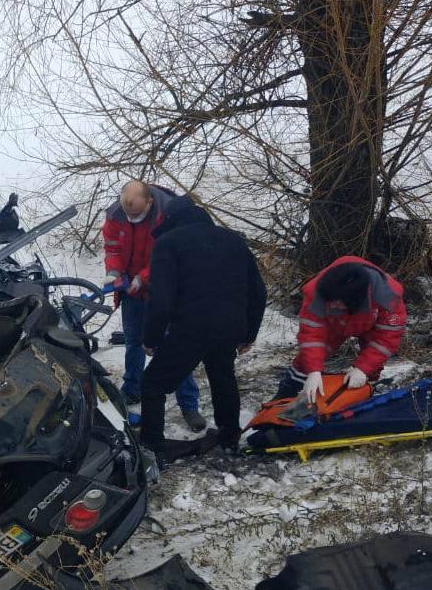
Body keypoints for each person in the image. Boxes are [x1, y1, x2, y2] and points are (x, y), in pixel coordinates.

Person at [140, 196, 267, 465]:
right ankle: (229, 434)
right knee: (222, 375)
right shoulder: (234, 240)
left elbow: (160, 299)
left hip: (191, 328)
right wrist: (249, 333)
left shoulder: (168, 243)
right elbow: (258, 291)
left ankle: (151, 446)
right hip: (229, 327)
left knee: (153, 384)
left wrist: (151, 338)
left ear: (171, 220)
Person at [102, 180, 205, 431]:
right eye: (128, 214)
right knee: (133, 340)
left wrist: (143, 278)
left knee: (173, 346)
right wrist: (113, 271)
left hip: (165, 290)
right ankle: (132, 389)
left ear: (149, 202)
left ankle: (189, 403)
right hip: (131, 293)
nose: (131, 218)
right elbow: (112, 246)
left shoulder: (169, 215)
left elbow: (169, 256)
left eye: (136, 214)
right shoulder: (116, 215)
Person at [274, 256, 407, 403]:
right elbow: (311, 336)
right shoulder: (316, 292)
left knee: (371, 366)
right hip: (334, 322)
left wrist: (363, 369)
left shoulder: (387, 295)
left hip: (370, 321)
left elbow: (387, 339)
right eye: (329, 302)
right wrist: (313, 371)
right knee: (306, 362)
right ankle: (283, 397)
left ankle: (363, 395)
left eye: (336, 303)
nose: (332, 305)